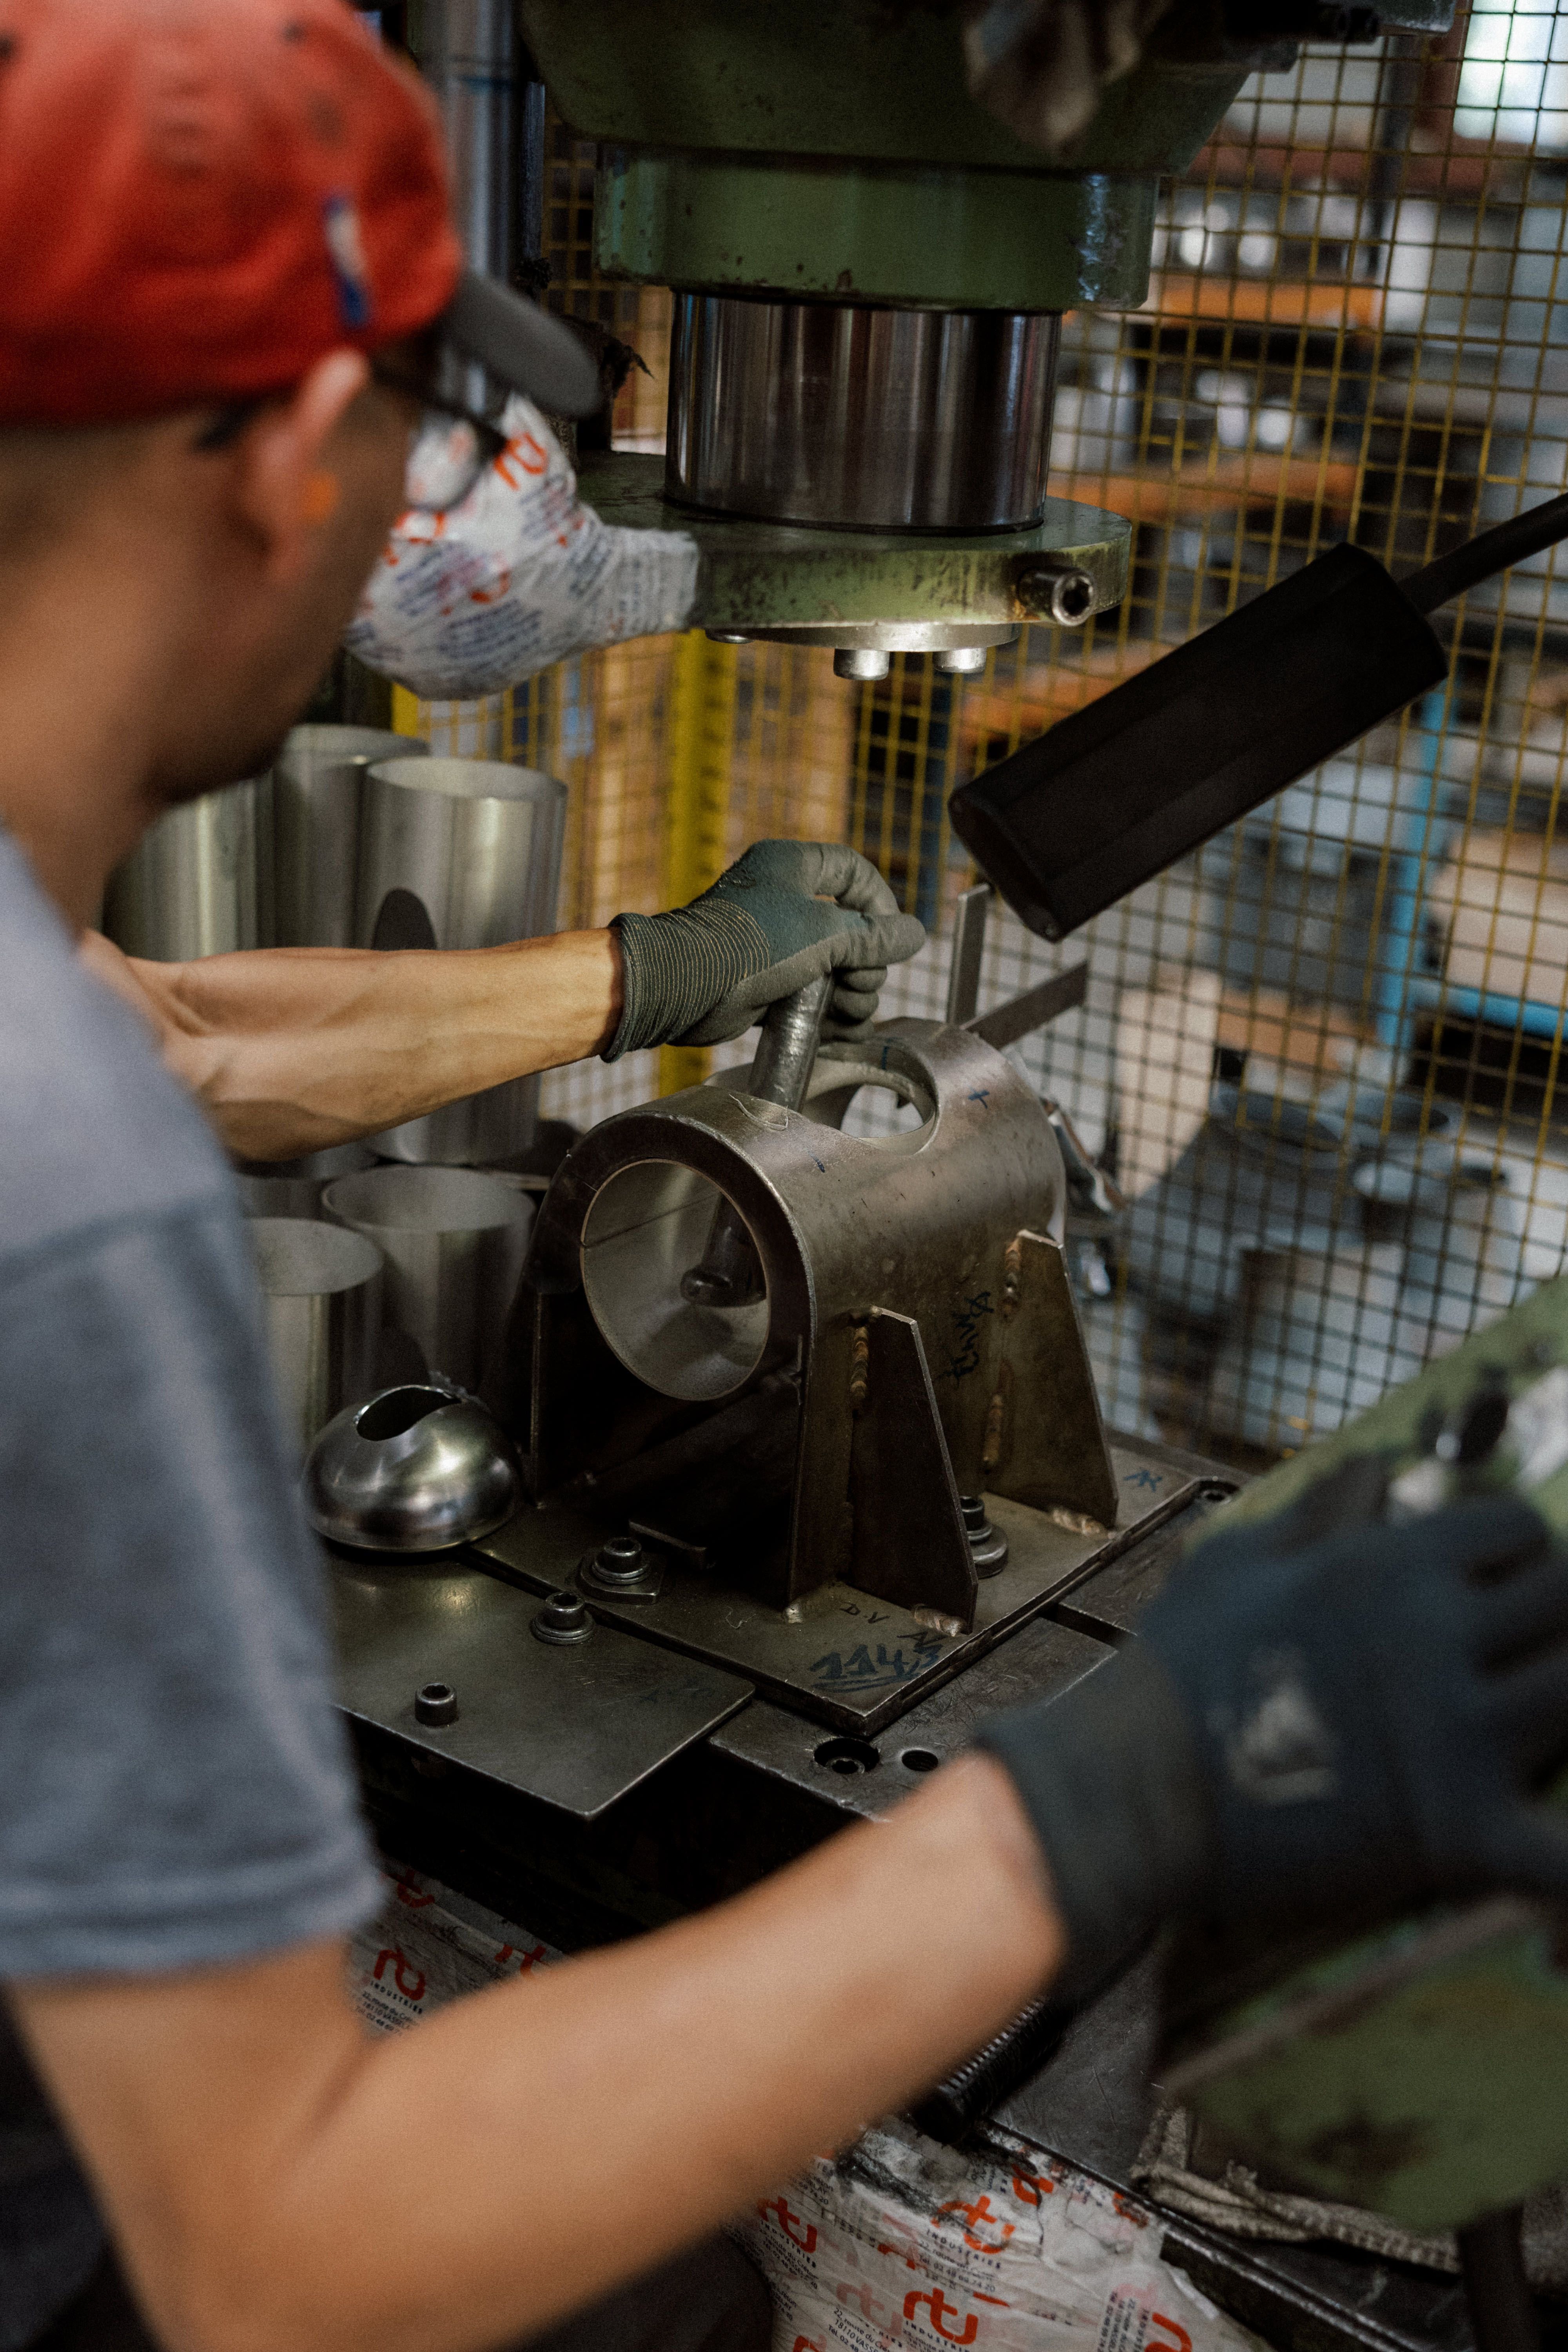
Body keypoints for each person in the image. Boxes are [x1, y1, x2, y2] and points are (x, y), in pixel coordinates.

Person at [6, 6, 1568, 2352]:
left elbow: (168, 1030)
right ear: (278, 459)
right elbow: (274, 2245)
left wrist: (653, 969)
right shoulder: (74, 1200)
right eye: (424, 433)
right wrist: (1119, 1787)